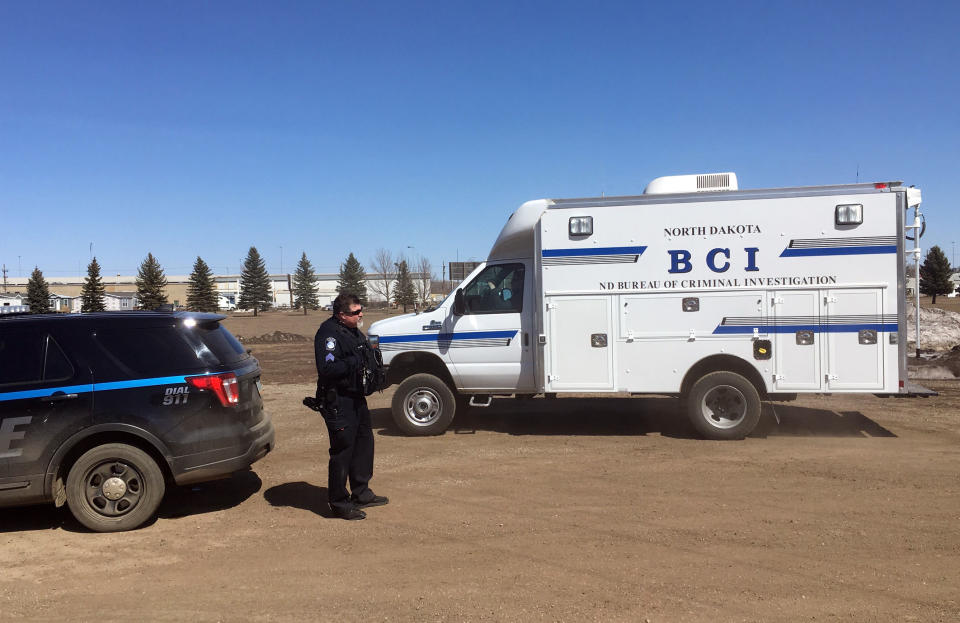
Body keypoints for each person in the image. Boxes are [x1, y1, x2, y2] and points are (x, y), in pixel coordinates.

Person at [313, 293, 388, 520]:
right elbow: (327, 369)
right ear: (342, 314)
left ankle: (361, 492)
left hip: (356, 397)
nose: (361, 314)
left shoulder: (353, 331)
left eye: (360, 310)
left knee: (364, 444)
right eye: (356, 312)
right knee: (342, 450)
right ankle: (338, 502)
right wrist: (355, 362)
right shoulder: (328, 334)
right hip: (338, 400)